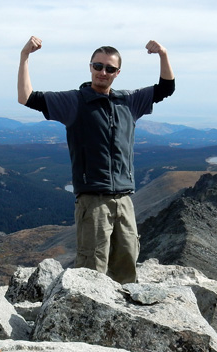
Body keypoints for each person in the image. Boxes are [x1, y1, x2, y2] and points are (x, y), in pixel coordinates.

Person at [17, 36, 175, 283]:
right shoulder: (74, 101)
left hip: (124, 199)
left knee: (127, 265)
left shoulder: (129, 101)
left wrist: (163, 54)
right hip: (92, 201)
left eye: (110, 68)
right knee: (92, 270)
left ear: (117, 72)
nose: (103, 72)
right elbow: (26, 97)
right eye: (98, 66)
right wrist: (24, 56)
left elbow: (166, 88)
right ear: (90, 67)